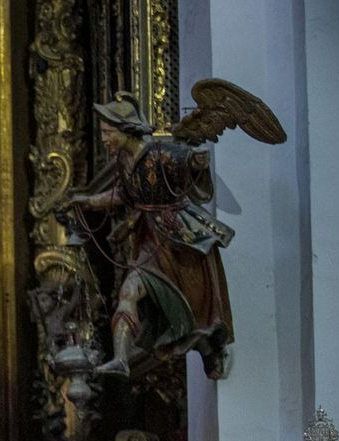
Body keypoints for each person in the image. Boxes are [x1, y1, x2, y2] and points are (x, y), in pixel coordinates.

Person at [68, 98, 233, 378]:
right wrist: (88, 201)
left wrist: (196, 162)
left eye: (108, 132)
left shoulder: (160, 153)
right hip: (147, 239)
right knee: (129, 291)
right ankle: (121, 358)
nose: (105, 139)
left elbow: (190, 165)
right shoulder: (123, 161)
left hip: (177, 239)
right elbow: (122, 195)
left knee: (194, 307)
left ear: (125, 130)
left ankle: (208, 347)